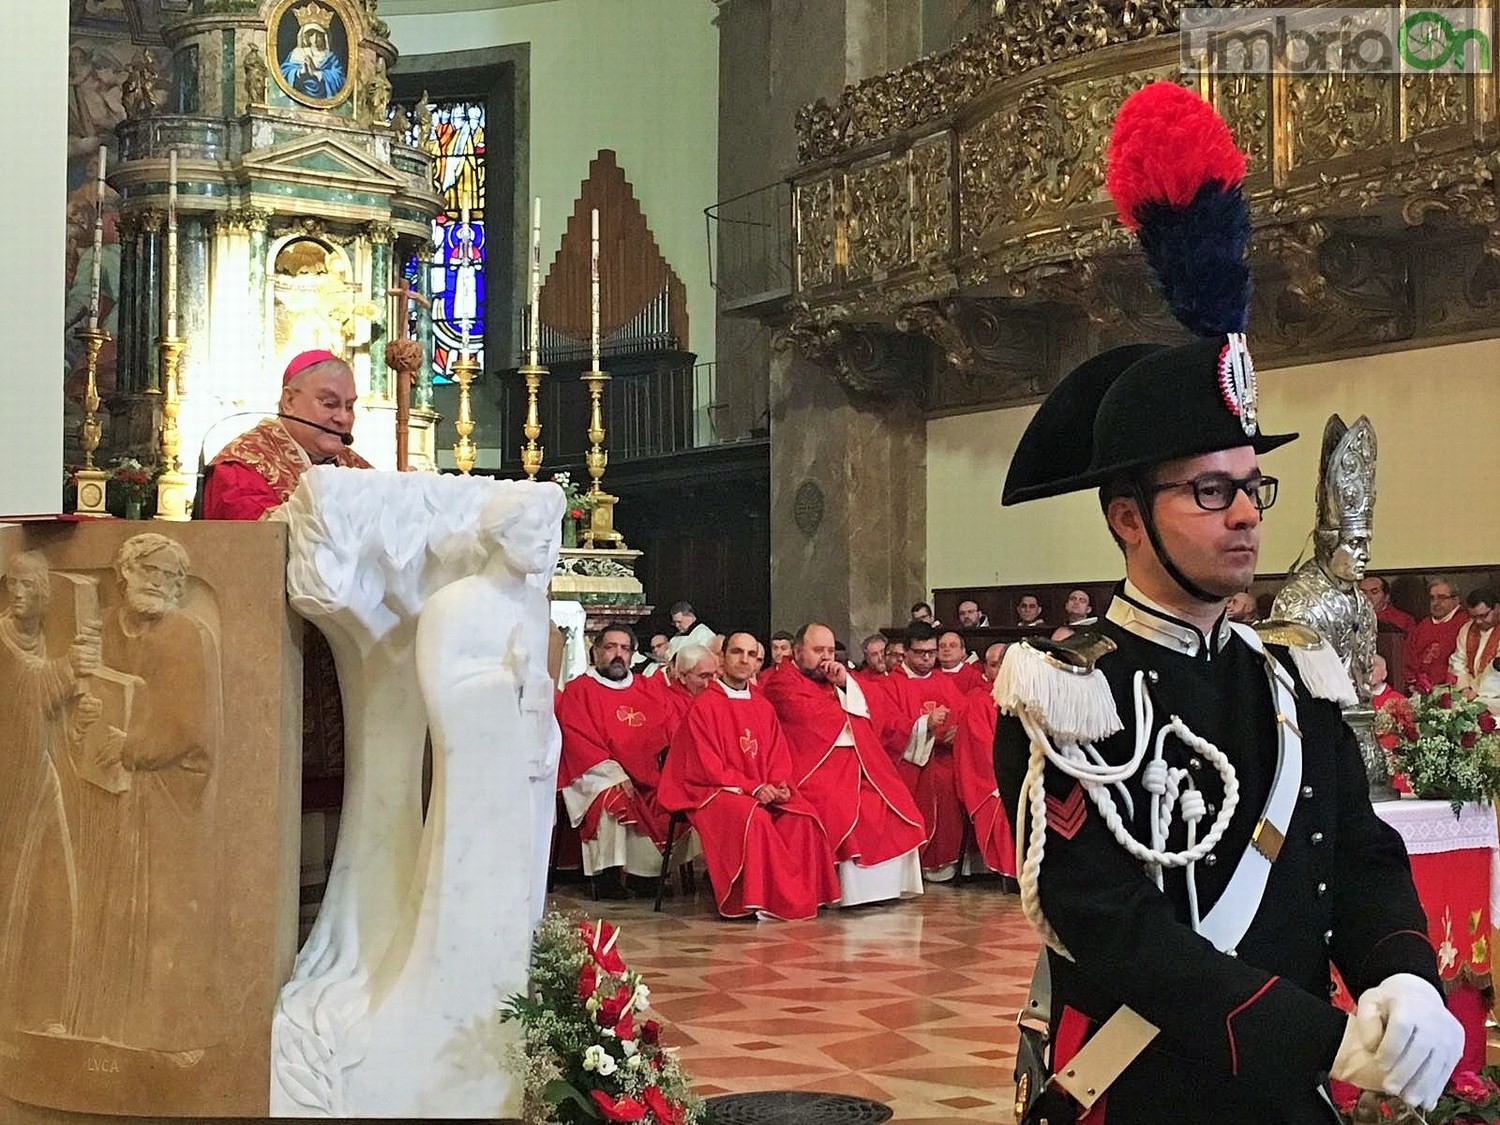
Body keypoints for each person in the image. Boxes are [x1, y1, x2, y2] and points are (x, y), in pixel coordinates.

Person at [994, 83, 1459, 1124]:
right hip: (1144, 1095)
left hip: (1290, 1096)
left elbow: (1363, 855)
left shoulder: (1291, 678)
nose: (1246, 515)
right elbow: (1116, 930)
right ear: (1127, 518)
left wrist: (1406, 976)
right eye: (1211, 491)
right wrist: (1332, 1039)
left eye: (1253, 487)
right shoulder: (1067, 697)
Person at [73, 533, 222, 1049]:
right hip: (107, 792)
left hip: (165, 794)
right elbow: (89, 698)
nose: (158, 583)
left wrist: (129, 745)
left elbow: (189, 727)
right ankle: (102, 1020)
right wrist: (86, 712)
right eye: (149, 571)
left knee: (160, 913)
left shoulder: (185, 635)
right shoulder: (104, 630)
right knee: (103, 905)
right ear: (125, 573)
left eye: (170, 577)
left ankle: (164, 1030)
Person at [658, 631, 840, 921]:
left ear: (758, 664)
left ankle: (797, 900)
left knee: (801, 816)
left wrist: (779, 785)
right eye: (737, 652)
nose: (745, 660)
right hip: (710, 791)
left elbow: (779, 756)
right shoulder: (705, 706)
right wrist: (753, 788)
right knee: (754, 818)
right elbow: (707, 766)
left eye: (752, 655)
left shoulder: (762, 706)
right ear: (722, 658)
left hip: (759, 789)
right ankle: (756, 900)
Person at [0, 552, 99, 1036]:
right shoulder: (2, 640)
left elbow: (53, 714)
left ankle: (49, 1005)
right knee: (16, 884)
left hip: (41, 772)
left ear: (43, 592)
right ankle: (15, 1004)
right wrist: (66, 669)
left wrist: (81, 710)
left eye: (25, 586)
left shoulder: (43, 636)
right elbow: (23, 692)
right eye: (11, 585)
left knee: (56, 885)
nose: (16, 595)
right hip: (11, 782)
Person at [759, 624, 925, 906]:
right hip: (811, 767)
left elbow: (874, 703)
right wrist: (846, 703)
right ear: (797, 652)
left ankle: (883, 889)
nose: (825, 658)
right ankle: (845, 892)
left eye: (830, 651)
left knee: (890, 798)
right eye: (817, 650)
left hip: (854, 762)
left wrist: (846, 683)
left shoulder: (833, 678)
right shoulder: (781, 682)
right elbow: (814, 721)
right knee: (838, 803)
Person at [555, 624, 675, 898]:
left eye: (625, 648)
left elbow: (669, 729)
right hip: (594, 773)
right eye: (610, 648)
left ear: (633, 655)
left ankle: (644, 875)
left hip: (645, 773)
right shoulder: (580, 689)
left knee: (669, 795)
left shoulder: (646, 688)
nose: (618, 654)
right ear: (595, 652)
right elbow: (577, 739)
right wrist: (615, 773)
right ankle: (606, 878)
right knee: (614, 796)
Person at [202, 350, 372, 520]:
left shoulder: (359, 469)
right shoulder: (240, 470)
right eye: (329, 404)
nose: (344, 418)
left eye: (349, 406)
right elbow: (264, 539)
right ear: (289, 401)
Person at [880, 621, 967, 881]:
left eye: (932, 651)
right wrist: (925, 725)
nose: (928, 657)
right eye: (920, 652)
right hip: (909, 762)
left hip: (946, 757)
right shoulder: (892, 684)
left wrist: (959, 733)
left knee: (957, 783)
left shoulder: (942, 680)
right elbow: (889, 727)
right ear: (905, 651)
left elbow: (963, 714)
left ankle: (949, 861)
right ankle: (918, 863)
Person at [952, 642, 1016, 883]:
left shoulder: (1024, 697)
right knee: (1011, 807)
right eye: (993, 665)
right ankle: (1018, 874)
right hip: (988, 782)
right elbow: (981, 751)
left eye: (1004, 665)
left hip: (1025, 775)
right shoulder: (978, 701)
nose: (999, 670)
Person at [1403, 578, 1468, 690]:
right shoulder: (1423, 626)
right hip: (1419, 690)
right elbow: (1408, 658)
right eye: (1432, 598)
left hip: (1453, 688)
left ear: (1456, 599)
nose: (1436, 603)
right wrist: (1412, 682)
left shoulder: (1466, 622)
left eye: (1442, 598)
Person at [1450, 588, 1500, 715]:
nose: (1478, 621)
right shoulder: (1467, 629)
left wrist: (1477, 692)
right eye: (1474, 617)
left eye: (1483, 616)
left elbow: (1496, 669)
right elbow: (1458, 661)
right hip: (1469, 693)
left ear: (1497, 608)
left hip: (1494, 695)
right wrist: (1464, 688)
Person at [279, 8, 346, 100]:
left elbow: (339, 78)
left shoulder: (330, 57)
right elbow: (285, 72)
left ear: (324, 36)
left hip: (323, 96)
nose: (314, 39)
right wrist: (301, 71)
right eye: (311, 35)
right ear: (306, 37)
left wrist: (317, 73)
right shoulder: (298, 53)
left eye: (318, 35)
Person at [660, 643, 716, 734]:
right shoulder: (665, 704)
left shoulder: (717, 693)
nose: (707, 684)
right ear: (682, 676)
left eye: (712, 675)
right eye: (703, 676)